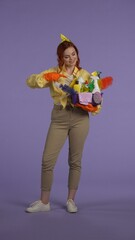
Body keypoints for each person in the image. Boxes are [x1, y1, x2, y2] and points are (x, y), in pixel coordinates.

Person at [25, 34, 101, 213]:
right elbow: (30, 82)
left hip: (80, 118)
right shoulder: (54, 72)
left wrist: (93, 101)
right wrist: (46, 78)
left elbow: (97, 104)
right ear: (61, 58)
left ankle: (71, 200)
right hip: (59, 118)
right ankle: (44, 203)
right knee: (47, 160)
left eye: (73, 54)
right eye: (67, 56)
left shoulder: (85, 75)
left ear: (77, 54)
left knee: (75, 160)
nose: (71, 58)